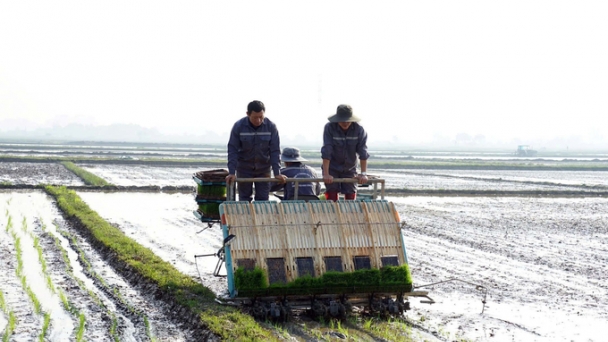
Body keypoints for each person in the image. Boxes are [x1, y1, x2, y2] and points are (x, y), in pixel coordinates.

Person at [226, 100, 286, 202]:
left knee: (262, 200)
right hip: (244, 169)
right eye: (255, 117)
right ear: (247, 114)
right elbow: (233, 150)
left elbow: (275, 151)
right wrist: (232, 172)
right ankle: (245, 217)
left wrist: (277, 172)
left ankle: (260, 218)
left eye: (261, 117)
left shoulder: (271, 127)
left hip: (263, 170)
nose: (258, 120)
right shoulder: (239, 126)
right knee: (244, 199)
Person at [321, 104, 369, 201]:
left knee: (350, 193)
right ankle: (332, 213)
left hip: (350, 168)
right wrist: (326, 174)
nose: (345, 123)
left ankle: (350, 214)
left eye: (348, 121)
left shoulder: (359, 129)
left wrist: (363, 173)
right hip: (332, 167)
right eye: (342, 121)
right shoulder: (330, 128)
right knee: (332, 192)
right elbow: (327, 150)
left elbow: (363, 152)